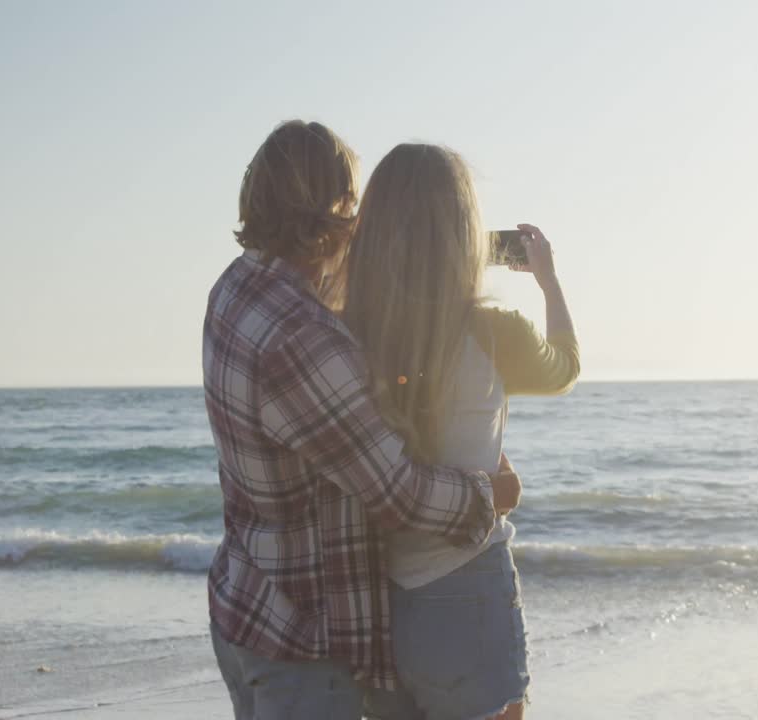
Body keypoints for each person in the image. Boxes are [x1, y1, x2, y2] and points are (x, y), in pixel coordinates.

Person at [202, 121, 524, 720]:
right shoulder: (305, 340)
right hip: (300, 645)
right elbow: (398, 494)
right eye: (352, 209)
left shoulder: (238, 285)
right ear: (329, 214)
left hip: (245, 603)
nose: (358, 224)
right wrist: (493, 493)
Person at [347, 144, 580, 720]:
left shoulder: (346, 332)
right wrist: (548, 282)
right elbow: (564, 369)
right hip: (467, 582)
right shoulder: (493, 330)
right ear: (465, 235)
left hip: (375, 591)